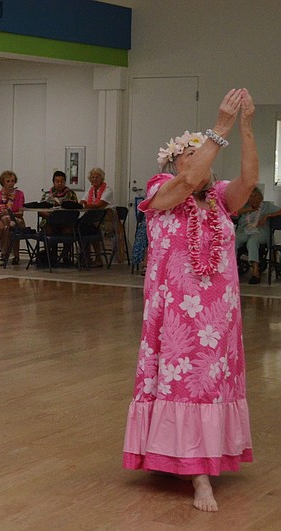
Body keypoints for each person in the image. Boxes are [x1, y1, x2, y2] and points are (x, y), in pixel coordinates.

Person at [123, 88, 257, 512]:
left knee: (212, 386)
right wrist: (219, 128)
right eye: (190, 153)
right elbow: (189, 181)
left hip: (219, 315)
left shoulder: (219, 198)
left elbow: (249, 183)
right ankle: (198, 477)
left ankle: (191, 456)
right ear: (173, 162)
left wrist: (246, 127)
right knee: (183, 384)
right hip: (177, 316)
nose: (201, 158)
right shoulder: (161, 190)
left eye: (205, 153)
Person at [234, 186, 278, 284]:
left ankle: (255, 273)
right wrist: (247, 210)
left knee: (252, 241)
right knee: (233, 240)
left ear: (260, 197)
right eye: (250, 196)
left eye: (255, 196)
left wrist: (267, 215)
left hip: (260, 232)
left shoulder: (267, 206)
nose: (253, 198)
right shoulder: (244, 206)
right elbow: (233, 214)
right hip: (245, 231)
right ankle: (232, 268)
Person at [41, 170, 80, 264]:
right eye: (57, 181)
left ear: (65, 182)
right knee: (48, 230)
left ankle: (64, 255)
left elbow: (76, 209)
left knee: (70, 231)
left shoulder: (71, 194)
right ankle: (52, 256)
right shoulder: (47, 194)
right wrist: (50, 216)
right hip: (50, 221)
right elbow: (40, 210)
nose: (59, 183)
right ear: (53, 182)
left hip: (65, 222)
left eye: (62, 181)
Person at [79, 167, 114, 266]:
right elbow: (82, 201)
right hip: (92, 217)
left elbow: (99, 205)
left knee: (89, 228)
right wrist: (83, 204)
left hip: (106, 219)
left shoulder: (107, 190)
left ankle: (97, 258)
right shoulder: (90, 190)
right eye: (92, 177)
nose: (94, 179)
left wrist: (85, 205)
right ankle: (86, 256)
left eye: (97, 177)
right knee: (78, 226)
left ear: (102, 178)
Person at [0, 170, 26, 265]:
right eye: (8, 181)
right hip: (4, 222)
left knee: (7, 221)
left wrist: (10, 213)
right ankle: (12, 254)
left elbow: (20, 213)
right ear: (3, 183)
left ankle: (4, 253)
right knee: (5, 221)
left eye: (12, 181)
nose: (11, 183)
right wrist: (5, 214)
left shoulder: (20, 194)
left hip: (18, 220)